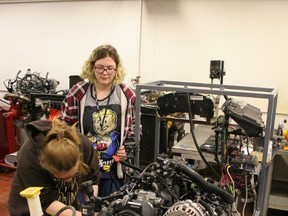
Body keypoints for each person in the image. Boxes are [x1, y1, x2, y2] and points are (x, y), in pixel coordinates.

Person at [58, 44, 137, 197]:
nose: (104, 72)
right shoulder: (78, 93)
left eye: (109, 68)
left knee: (111, 207)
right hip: (84, 167)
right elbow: (64, 127)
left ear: (116, 69)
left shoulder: (126, 94)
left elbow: (135, 126)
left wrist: (127, 147)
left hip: (114, 168)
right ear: (92, 67)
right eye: (100, 67)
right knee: (85, 206)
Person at [8, 119, 100, 216]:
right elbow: (46, 202)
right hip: (31, 209)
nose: (69, 181)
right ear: (46, 167)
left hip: (66, 205)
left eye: (74, 175)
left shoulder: (84, 146)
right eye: (61, 178)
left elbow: (91, 180)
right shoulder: (29, 158)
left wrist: (91, 208)